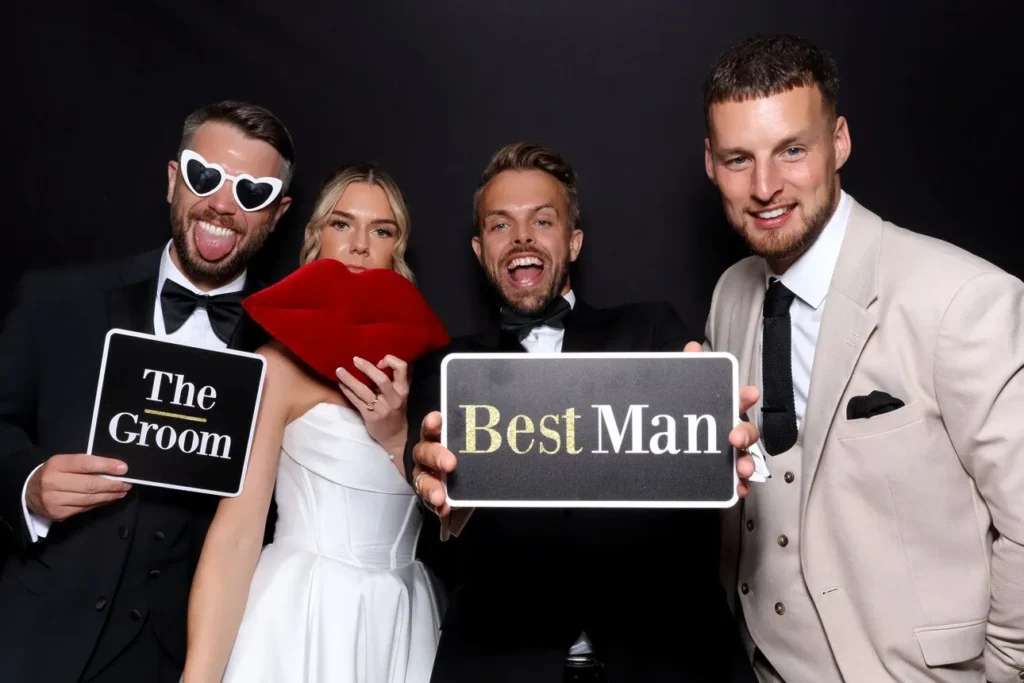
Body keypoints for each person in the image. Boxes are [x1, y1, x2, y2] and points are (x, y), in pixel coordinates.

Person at [701, 34, 1024, 682]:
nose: (765, 187)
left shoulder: (963, 299)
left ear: (839, 141)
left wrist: (1004, 672)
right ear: (710, 163)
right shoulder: (730, 295)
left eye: (792, 150)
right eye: (739, 159)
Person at [406, 142, 762, 682]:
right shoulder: (447, 368)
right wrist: (435, 491)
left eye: (542, 220)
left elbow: (707, 439)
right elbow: (436, 492)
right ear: (480, 251)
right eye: (501, 226)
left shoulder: (652, 332)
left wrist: (726, 440)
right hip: (504, 660)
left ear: (572, 242)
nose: (522, 236)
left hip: (664, 655)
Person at [0, 100, 294, 682]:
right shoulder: (59, 301)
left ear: (278, 214)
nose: (222, 205)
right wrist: (30, 486)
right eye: (204, 176)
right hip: (34, 641)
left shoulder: (287, 349)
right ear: (172, 181)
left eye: (251, 192)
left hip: (182, 659)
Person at [182, 164, 445, 683]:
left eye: (382, 230)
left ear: (398, 249)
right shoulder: (275, 368)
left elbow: (459, 523)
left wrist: (395, 434)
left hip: (401, 616)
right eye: (342, 224)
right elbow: (236, 537)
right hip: (301, 614)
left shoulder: (432, 373)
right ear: (314, 238)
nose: (360, 245)